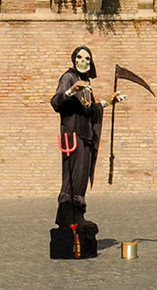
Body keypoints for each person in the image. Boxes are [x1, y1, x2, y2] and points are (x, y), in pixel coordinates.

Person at [50, 46, 119, 230]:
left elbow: (89, 110)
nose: (83, 61)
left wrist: (107, 102)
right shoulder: (69, 77)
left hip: (85, 135)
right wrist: (71, 90)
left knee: (81, 175)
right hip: (73, 135)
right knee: (73, 175)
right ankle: (66, 216)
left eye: (87, 59)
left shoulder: (85, 81)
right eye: (80, 58)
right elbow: (56, 102)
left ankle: (77, 214)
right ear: (74, 59)